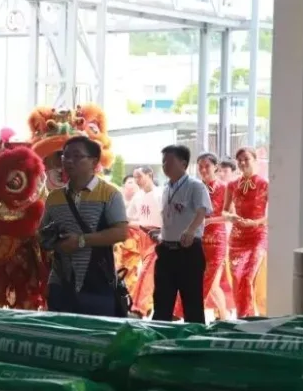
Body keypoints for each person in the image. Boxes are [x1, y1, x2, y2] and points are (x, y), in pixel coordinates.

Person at [42, 137, 129, 315]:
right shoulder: (54, 197)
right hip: (60, 282)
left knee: (96, 330)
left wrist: (81, 241)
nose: (69, 161)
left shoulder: (110, 194)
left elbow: (121, 232)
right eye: (65, 156)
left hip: (98, 282)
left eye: (76, 156)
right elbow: (42, 233)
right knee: (61, 330)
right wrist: (52, 240)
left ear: (94, 162)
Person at [151, 145, 212, 323]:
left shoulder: (195, 186)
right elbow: (171, 217)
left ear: (183, 164)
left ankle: (196, 338)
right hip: (166, 250)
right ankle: (160, 335)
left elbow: (202, 211)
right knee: (162, 302)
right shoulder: (166, 189)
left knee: (192, 304)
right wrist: (160, 233)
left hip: (188, 251)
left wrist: (191, 230)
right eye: (163, 162)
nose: (165, 166)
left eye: (169, 161)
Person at [223, 146, 269, 318]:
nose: (242, 163)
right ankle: (244, 317)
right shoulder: (232, 185)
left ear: (255, 160)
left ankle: (249, 318)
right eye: (240, 160)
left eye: (246, 159)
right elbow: (224, 211)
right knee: (237, 278)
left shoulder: (264, 184)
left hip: (257, 236)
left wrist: (255, 222)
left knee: (248, 277)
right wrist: (231, 217)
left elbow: (274, 214)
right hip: (237, 238)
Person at [196, 152, 232, 320]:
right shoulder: (195, 188)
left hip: (217, 240)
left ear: (216, 167)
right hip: (198, 240)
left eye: (207, 166)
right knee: (207, 283)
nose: (203, 170)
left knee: (211, 282)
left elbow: (231, 215)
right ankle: (224, 317)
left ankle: (219, 316)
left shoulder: (224, 188)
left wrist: (209, 220)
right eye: (200, 167)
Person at [127, 166, 163, 317]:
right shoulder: (138, 196)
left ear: (150, 175)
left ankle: (138, 308)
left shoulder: (161, 194)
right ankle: (147, 306)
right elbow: (129, 216)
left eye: (140, 176)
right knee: (151, 274)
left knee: (146, 272)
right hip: (143, 236)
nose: (137, 180)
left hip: (157, 237)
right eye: (135, 177)